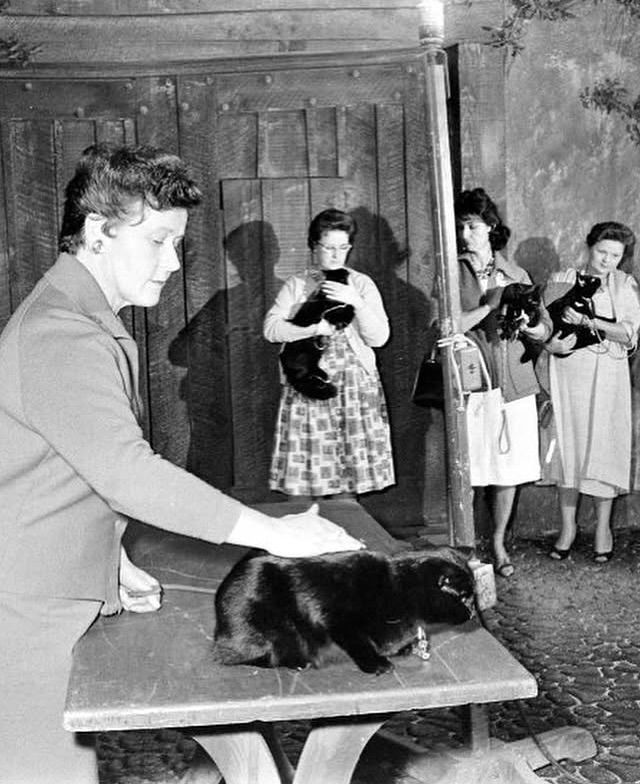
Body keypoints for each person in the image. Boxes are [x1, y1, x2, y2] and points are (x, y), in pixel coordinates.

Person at [0, 144, 363, 784]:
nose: (172, 263)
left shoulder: (77, 316)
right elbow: (125, 472)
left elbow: (60, 465)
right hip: (27, 602)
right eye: (160, 241)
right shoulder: (61, 333)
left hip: (52, 580)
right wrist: (276, 533)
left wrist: (109, 558)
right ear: (97, 231)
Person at [450, 187, 551, 577]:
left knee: (508, 469)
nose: (465, 235)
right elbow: (446, 325)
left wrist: (530, 324)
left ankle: (497, 542)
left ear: (490, 227)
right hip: (473, 384)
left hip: (514, 383)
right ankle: (468, 545)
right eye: (460, 227)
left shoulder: (516, 273)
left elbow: (545, 331)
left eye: (472, 227)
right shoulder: (452, 271)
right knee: (472, 468)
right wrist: (487, 306)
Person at [264, 208, 395, 499]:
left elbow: (379, 338)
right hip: (310, 387)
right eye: (328, 248)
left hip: (354, 387)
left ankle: (348, 537)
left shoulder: (361, 284)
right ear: (313, 246)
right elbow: (271, 329)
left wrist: (357, 303)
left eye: (343, 248)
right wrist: (314, 328)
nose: (336, 256)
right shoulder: (298, 284)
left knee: (349, 477)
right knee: (310, 474)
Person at [545, 221, 640, 563]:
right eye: (602, 252)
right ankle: (567, 528)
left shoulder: (623, 284)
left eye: (616, 255)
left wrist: (593, 323)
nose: (608, 260)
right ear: (589, 247)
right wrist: (552, 342)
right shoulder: (562, 279)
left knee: (603, 445)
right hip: (570, 373)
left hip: (609, 375)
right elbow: (543, 328)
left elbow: (629, 333)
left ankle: (603, 529)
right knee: (571, 444)